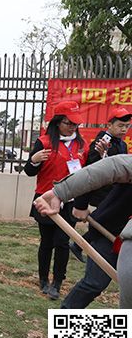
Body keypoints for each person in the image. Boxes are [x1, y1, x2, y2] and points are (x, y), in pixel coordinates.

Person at [35, 154, 132, 308]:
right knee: (94, 283)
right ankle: (65, 321)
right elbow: (109, 168)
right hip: (111, 233)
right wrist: (61, 193)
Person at [24, 101, 88, 301]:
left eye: (75, 124)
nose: (72, 128)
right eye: (68, 123)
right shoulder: (44, 142)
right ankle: (43, 279)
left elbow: (88, 172)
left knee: (62, 243)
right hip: (45, 199)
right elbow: (29, 171)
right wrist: (34, 159)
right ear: (58, 122)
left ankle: (57, 282)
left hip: (69, 202)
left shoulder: (81, 145)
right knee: (47, 242)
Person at [68, 106, 130, 261]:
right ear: (109, 125)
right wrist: (103, 156)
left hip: (115, 190)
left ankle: (81, 245)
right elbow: (93, 168)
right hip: (102, 190)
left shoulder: (122, 144)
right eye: (120, 126)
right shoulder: (103, 141)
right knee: (104, 219)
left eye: (127, 126)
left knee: (106, 220)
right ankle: (81, 245)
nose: (124, 129)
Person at [60, 184, 132, 308]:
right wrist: (80, 204)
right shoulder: (126, 166)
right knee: (95, 283)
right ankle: (64, 318)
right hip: (110, 230)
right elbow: (96, 174)